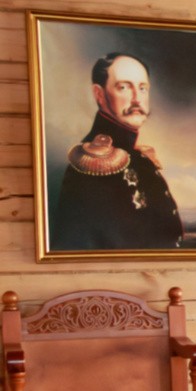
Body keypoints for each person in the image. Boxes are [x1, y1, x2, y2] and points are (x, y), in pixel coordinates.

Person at [52, 52, 183, 251]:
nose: (137, 99)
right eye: (124, 87)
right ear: (99, 94)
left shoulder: (138, 157)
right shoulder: (90, 166)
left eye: (143, 88)